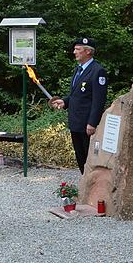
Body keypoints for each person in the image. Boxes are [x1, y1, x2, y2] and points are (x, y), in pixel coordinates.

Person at [49, 38, 108, 174]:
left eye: (78, 49)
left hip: (87, 125)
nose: (74, 52)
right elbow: (77, 95)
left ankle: (94, 188)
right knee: (81, 158)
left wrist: (92, 122)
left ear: (88, 51)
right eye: (75, 49)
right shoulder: (78, 70)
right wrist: (65, 102)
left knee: (91, 158)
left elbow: (99, 100)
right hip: (75, 122)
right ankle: (85, 186)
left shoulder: (97, 71)